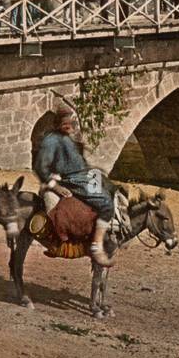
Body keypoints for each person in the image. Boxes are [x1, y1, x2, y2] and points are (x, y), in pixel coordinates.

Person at [34, 107, 119, 265]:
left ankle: (112, 230)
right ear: (58, 123)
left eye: (70, 121)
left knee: (112, 187)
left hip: (84, 175)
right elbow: (40, 168)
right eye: (64, 122)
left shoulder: (66, 138)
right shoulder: (51, 141)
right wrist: (56, 187)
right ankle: (96, 247)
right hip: (72, 180)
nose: (68, 125)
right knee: (105, 203)